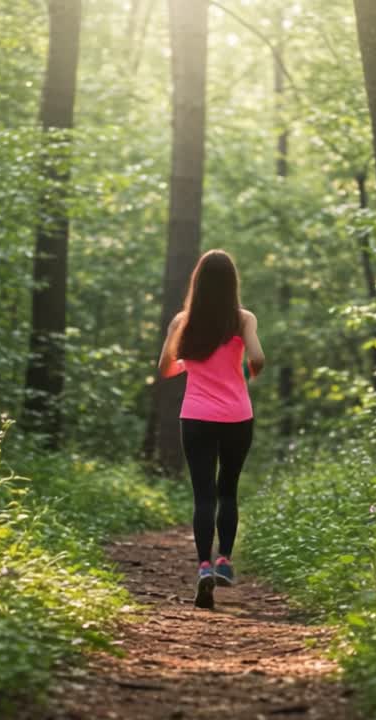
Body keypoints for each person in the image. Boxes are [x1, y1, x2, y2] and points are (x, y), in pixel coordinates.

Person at [157, 249, 265, 610]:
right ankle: (225, 561)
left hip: (196, 417)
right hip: (237, 416)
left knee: (203, 495)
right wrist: (249, 372)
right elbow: (258, 358)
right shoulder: (243, 319)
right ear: (232, 283)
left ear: (198, 282)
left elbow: (165, 368)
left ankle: (203, 567)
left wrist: (193, 366)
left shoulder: (182, 322)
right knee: (228, 491)